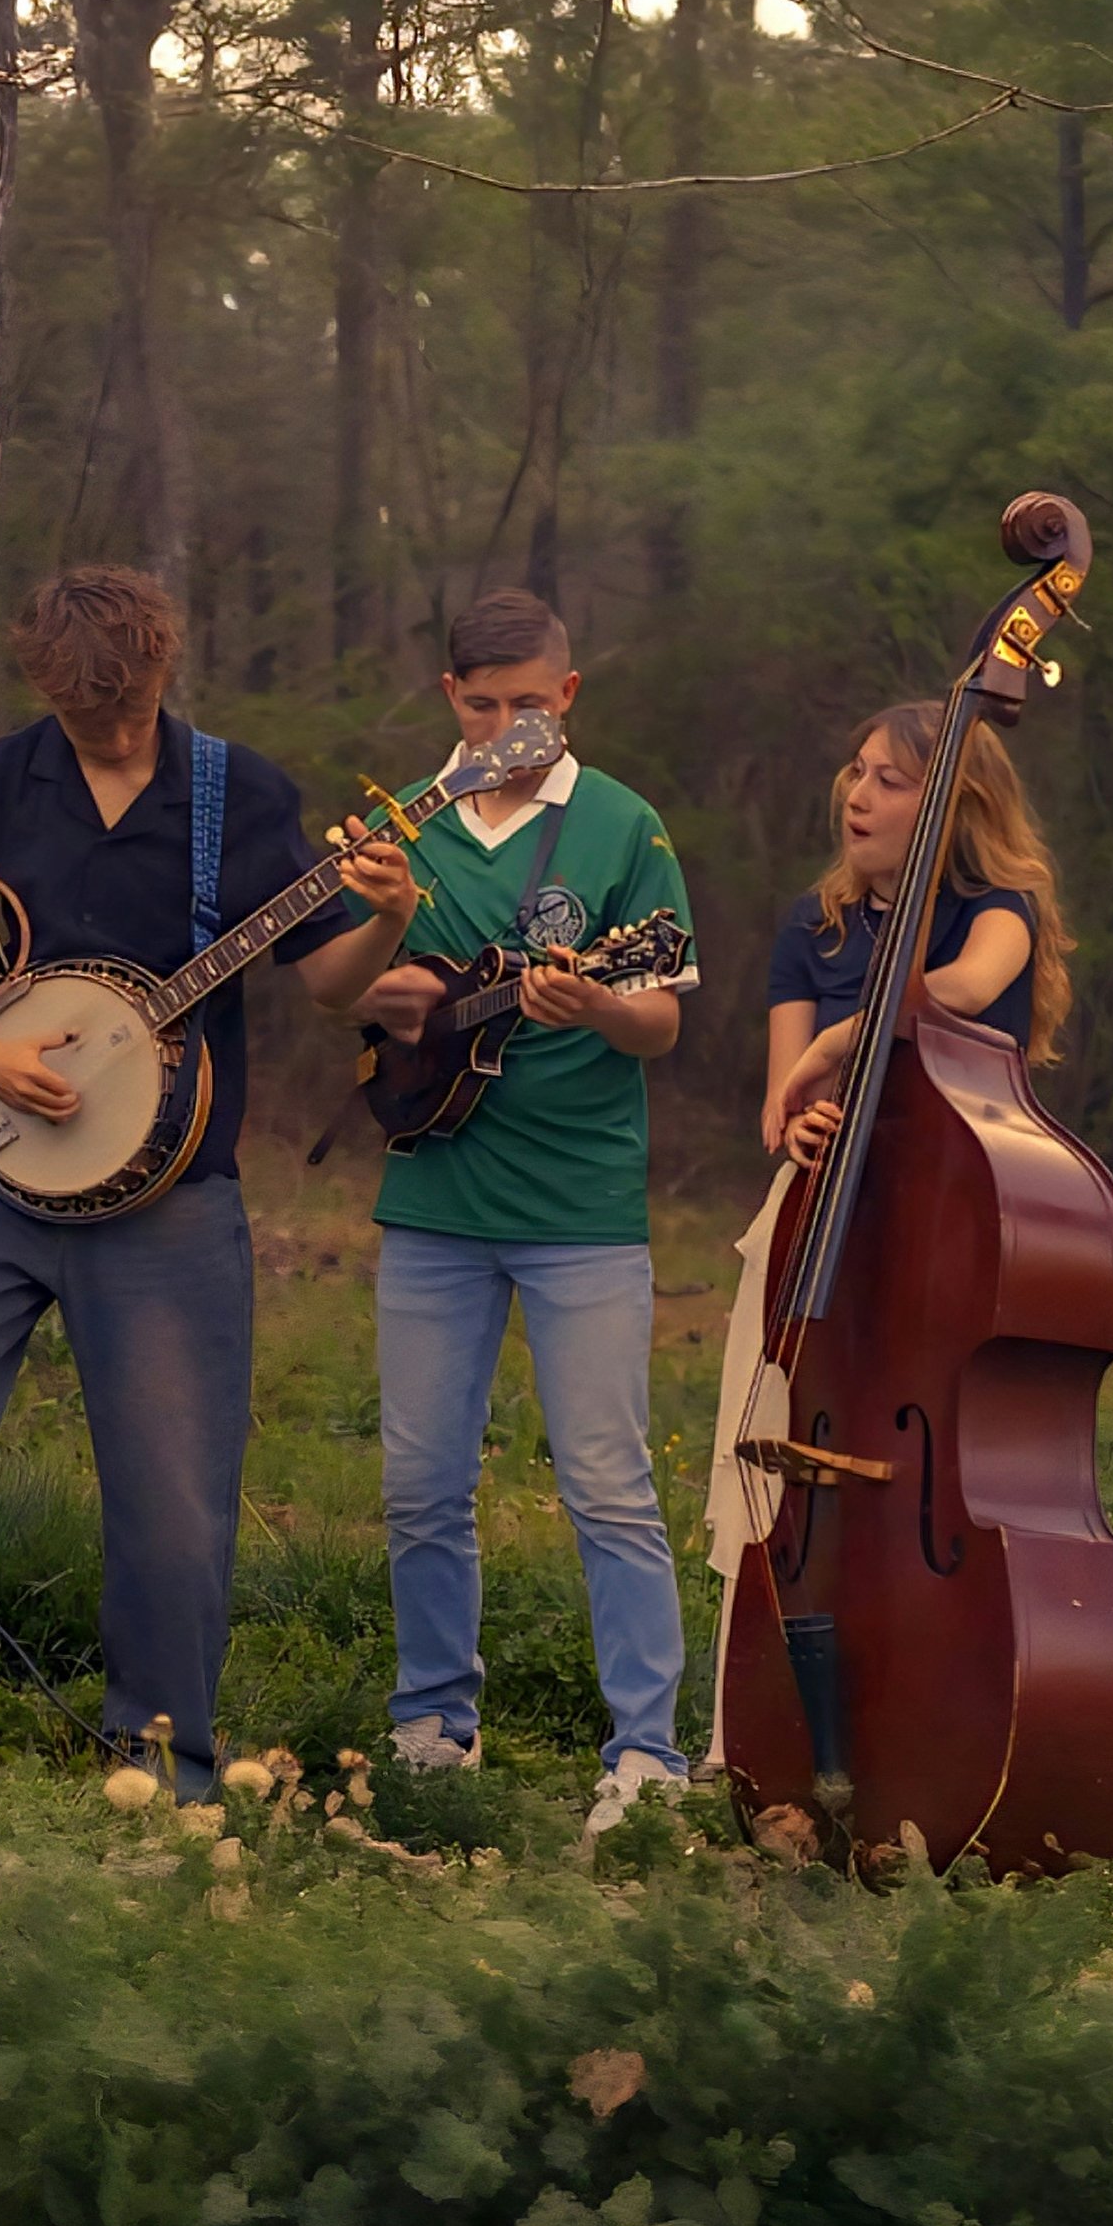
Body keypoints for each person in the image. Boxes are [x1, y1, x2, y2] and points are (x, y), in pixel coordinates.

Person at [0, 564, 420, 1797]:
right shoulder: (2, 781)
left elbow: (331, 982)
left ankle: (161, 1760)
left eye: (129, 704)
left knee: (172, 1500)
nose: (112, 729)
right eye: (84, 711)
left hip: (170, 1201)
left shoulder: (239, 792)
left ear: (163, 669)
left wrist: (390, 912)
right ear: (48, 687)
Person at [344, 588, 698, 1843]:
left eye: (531, 704)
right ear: (451, 699)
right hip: (434, 1196)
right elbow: (346, 989)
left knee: (607, 1483)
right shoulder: (412, 822)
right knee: (420, 1483)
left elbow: (659, 1011)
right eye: (483, 704)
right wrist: (386, 982)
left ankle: (648, 1752)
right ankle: (433, 1722)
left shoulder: (622, 827)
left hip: (580, 1206)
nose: (508, 725)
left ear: (569, 695)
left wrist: (599, 1008)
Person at [702, 699, 1072, 1764]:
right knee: (772, 1480)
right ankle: (749, 1747)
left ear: (953, 800)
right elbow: (778, 1108)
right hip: (815, 1226)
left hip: (947, 1230)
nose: (857, 795)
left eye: (891, 780)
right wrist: (798, 1104)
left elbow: (961, 988)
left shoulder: (998, 906)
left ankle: (943, 1727)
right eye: (854, 772)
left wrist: (847, 1038)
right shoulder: (808, 927)